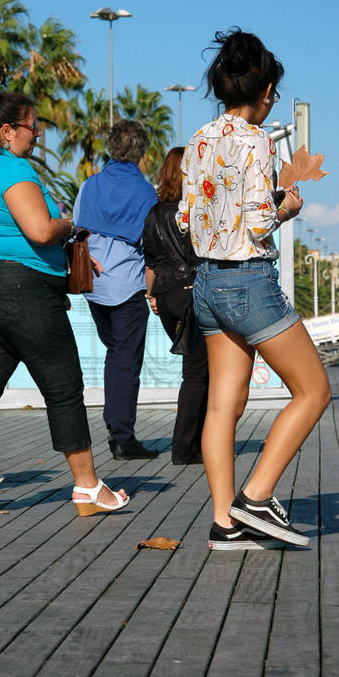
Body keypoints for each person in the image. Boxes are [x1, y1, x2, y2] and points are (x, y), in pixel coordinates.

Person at [0, 90, 129, 521]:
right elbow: (41, 231)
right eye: (32, 126)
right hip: (22, 290)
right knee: (63, 386)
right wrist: (70, 225)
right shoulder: (11, 168)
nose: (38, 134)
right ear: (7, 131)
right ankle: (87, 487)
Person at [178, 29, 331, 551]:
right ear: (264, 89)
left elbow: (184, 217)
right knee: (314, 391)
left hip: (207, 282)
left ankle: (225, 523)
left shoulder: (198, 139)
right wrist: (289, 204)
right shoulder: (255, 140)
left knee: (223, 407)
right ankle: (258, 496)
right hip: (248, 280)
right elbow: (262, 219)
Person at [73, 120, 160, 460]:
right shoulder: (144, 192)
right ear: (141, 151)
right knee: (126, 360)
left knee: (115, 354)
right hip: (127, 285)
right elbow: (149, 241)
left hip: (95, 285)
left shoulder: (90, 185)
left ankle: (115, 426)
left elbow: (78, 228)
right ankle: (122, 435)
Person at [143, 148, 209, 464]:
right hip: (191, 293)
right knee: (198, 373)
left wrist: (152, 296)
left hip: (166, 294)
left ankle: (196, 442)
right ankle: (185, 448)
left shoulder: (154, 213)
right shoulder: (192, 212)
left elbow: (151, 262)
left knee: (198, 370)